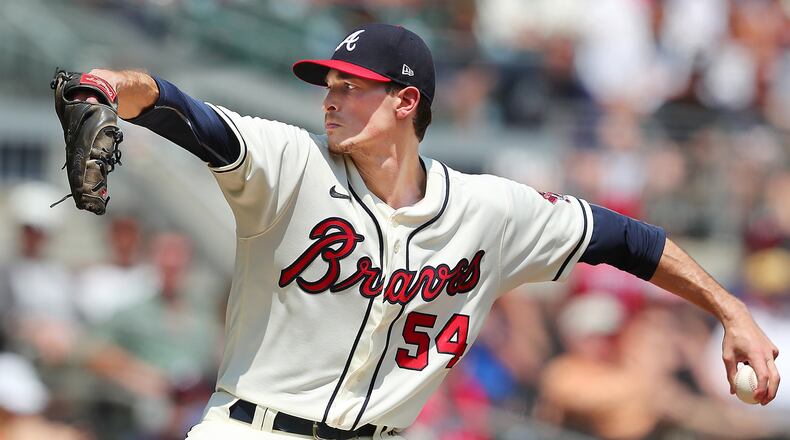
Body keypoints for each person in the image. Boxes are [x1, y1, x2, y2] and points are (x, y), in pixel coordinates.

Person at [67, 23, 779, 440]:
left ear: (407, 101)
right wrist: (105, 87)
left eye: (352, 86)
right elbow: (178, 109)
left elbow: (627, 239)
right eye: (330, 86)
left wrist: (730, 309)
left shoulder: (489, 211)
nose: (331, 100)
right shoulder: (287, 163)